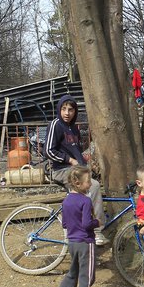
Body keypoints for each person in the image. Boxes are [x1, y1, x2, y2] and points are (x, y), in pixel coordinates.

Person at [44, 94, 107, 246]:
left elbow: (76, 151)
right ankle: (96, 231)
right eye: (64, 109)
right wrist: (70, 160)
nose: (67, 113)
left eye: (70, 110)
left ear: (75, 111)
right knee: (93, 187)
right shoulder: (56, 124)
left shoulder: (74, 129)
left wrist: (85, 162)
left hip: (75, 169)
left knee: (89, 189)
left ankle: (79, 230)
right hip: (60, 169)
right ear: (59, 109)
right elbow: (48, 150)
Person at [52, 166, 101, 287]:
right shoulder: (85, 201)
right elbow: (87, 223)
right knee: (87, 278)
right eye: (88, 182)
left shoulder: (66, 200)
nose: (91, 184)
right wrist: (96, 222)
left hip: (72, 242)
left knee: (73, 270)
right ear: (78, 183)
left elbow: (65, 223)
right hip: (86, 243)